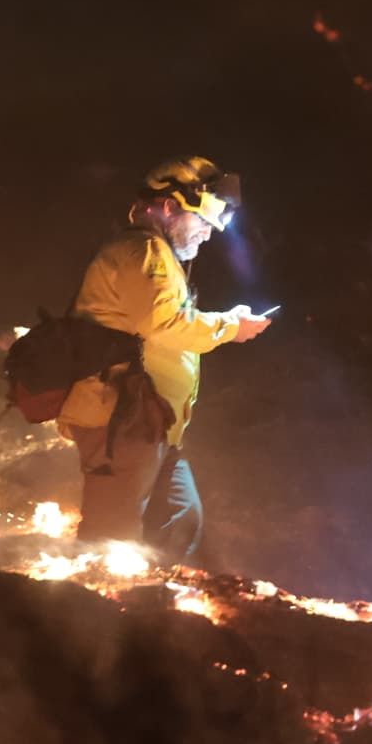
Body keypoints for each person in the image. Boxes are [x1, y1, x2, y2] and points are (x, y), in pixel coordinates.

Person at [57, 156, 272, 561]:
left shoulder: (159, 256)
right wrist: (230, 327)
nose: (208, 234)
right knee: (110, 537)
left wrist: (228, 321)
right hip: (119, 420)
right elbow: (164, 324)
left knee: (179, 516)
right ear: (170, 207)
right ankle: (87, 596)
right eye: (202, 222)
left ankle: (148, 593)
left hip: (150, 422)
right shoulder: (142, 250)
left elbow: (167, 320)